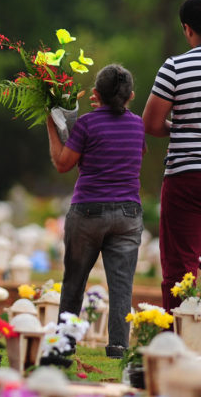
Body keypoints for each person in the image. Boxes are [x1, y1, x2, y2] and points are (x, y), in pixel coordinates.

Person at [47, 64, 145, 359]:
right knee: (121, 286)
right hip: (128, 214)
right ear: (131, 96)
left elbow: (63, 163)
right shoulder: (138, 125)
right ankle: (118, 347)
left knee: (74, 281)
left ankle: (65, 343)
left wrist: (51, 126)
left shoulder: (87, 124)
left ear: (95, 94)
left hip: (88, 211)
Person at [143, 0, 201, 311]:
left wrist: (178, 128)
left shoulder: (175, 67)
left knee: (181, 266)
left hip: (185, 176)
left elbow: (151, 123)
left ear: (187, 29)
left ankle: (181, 342)